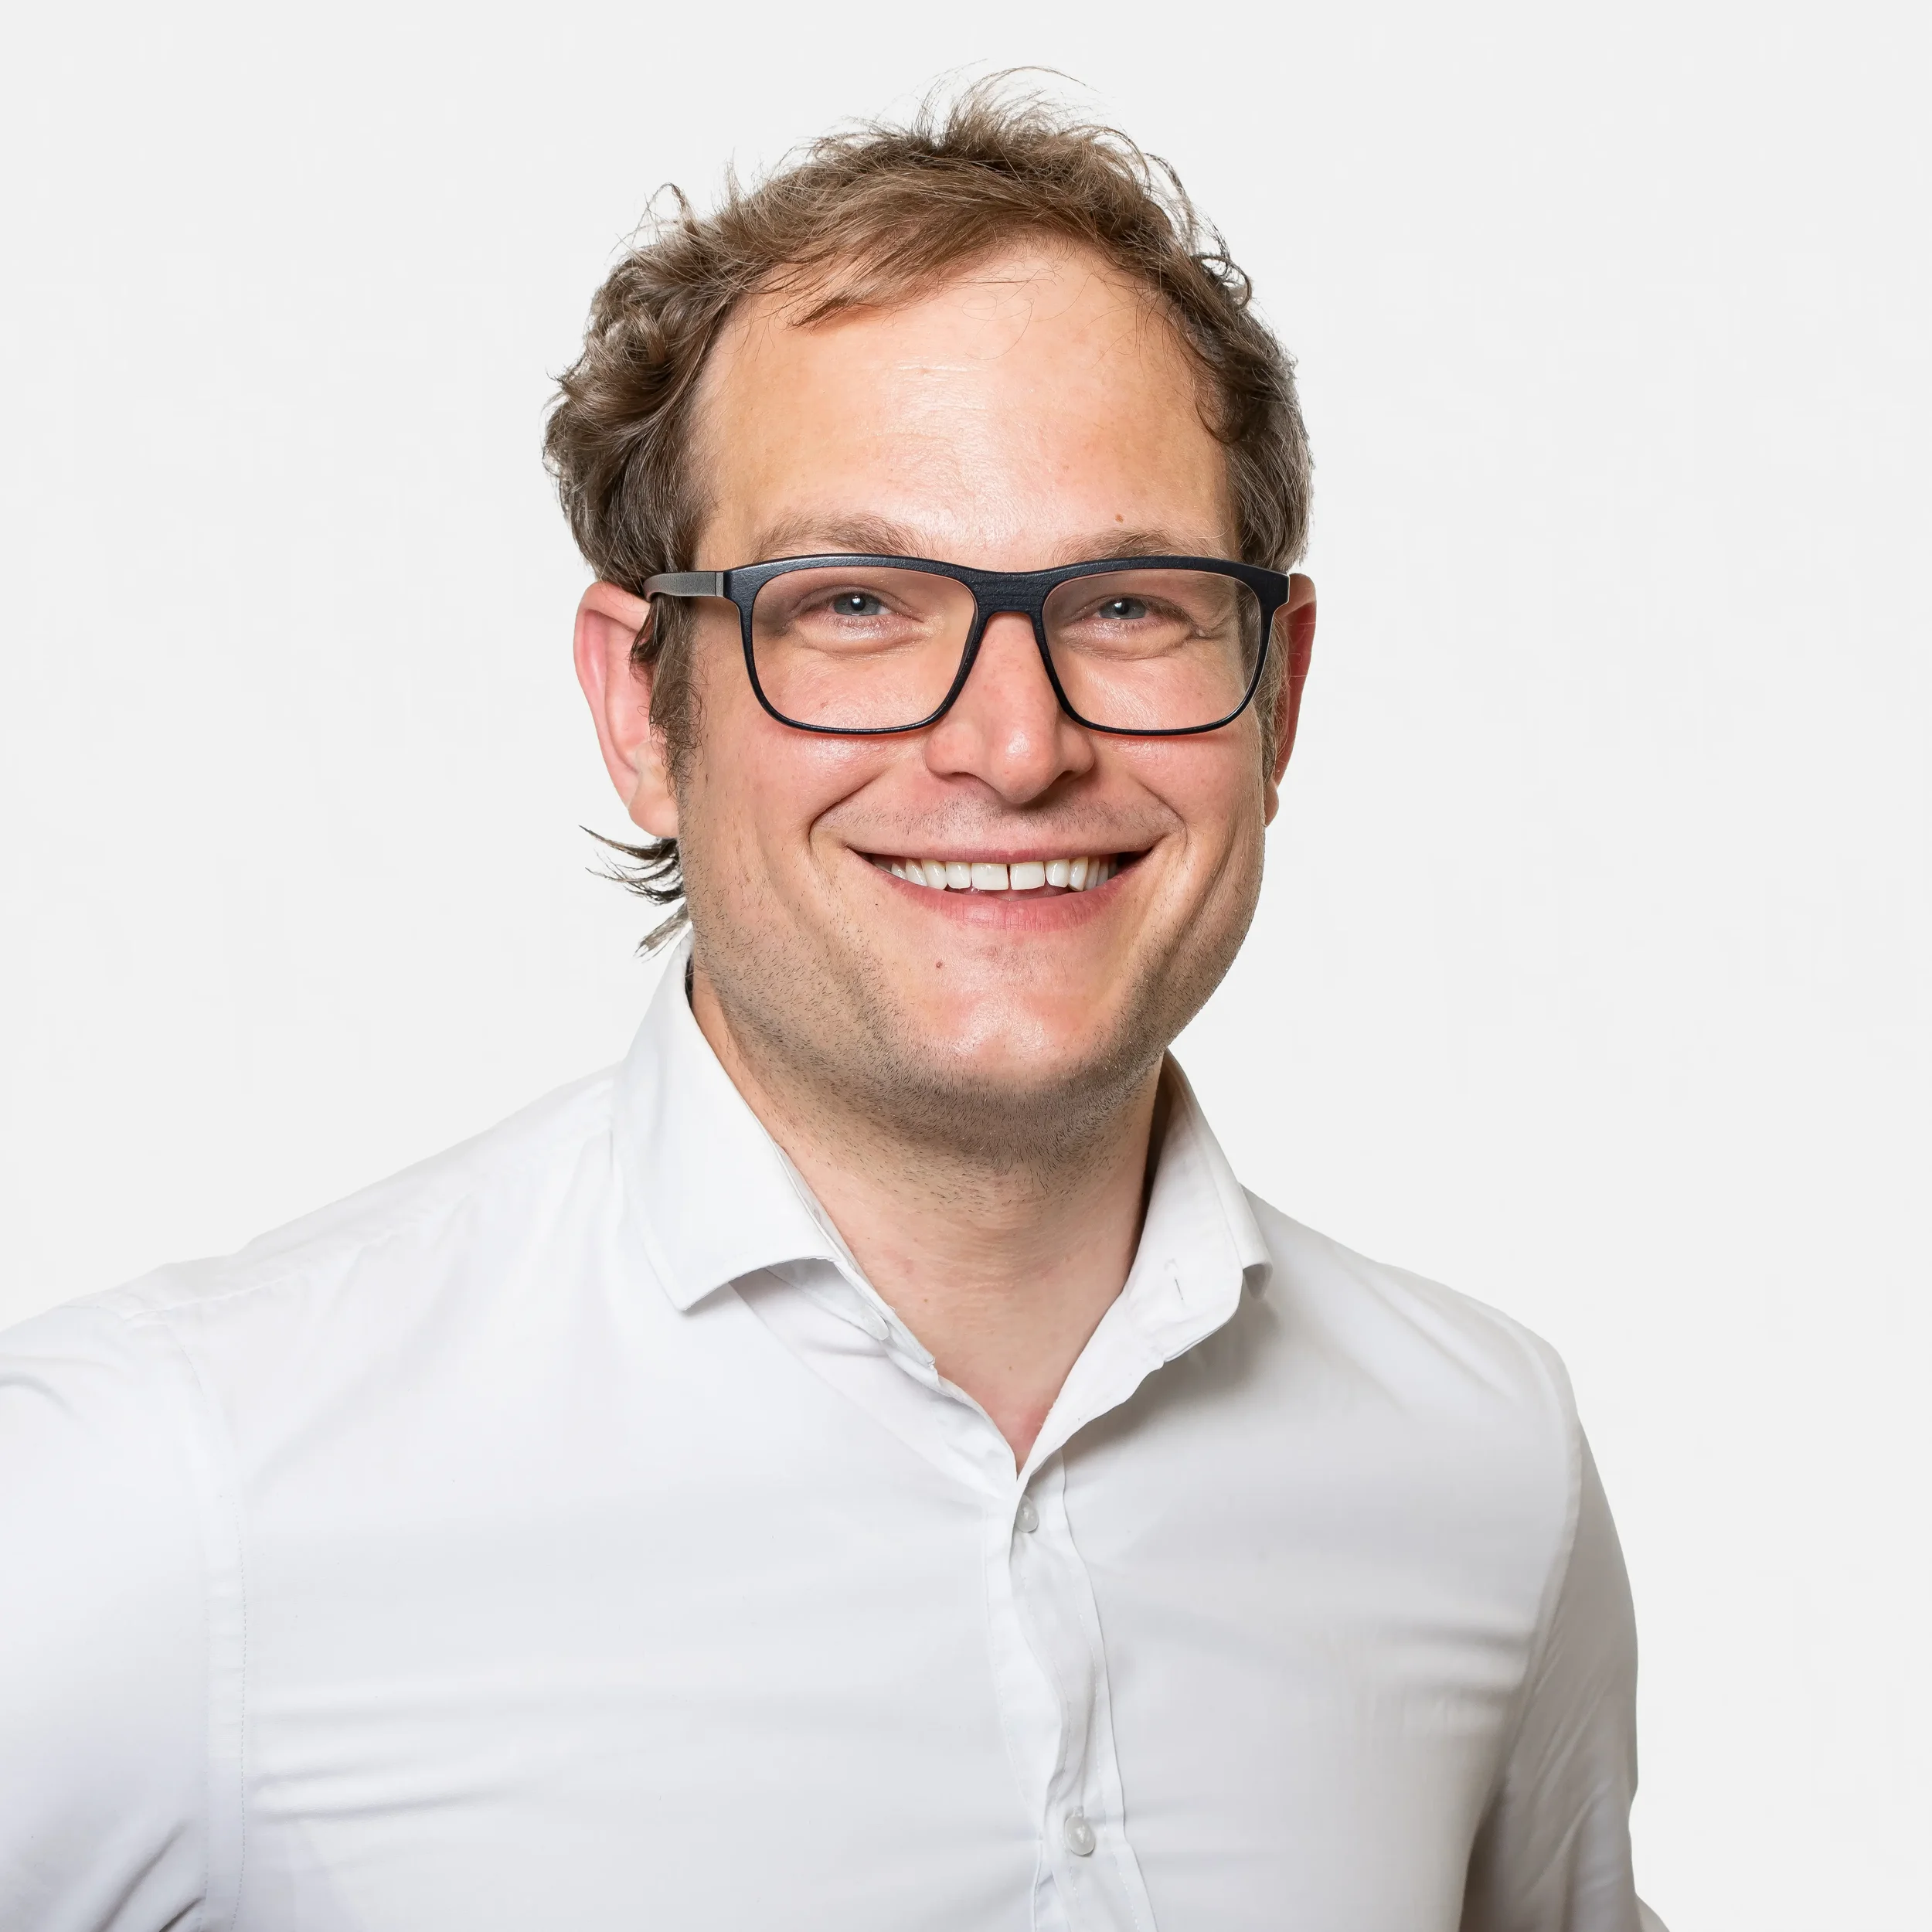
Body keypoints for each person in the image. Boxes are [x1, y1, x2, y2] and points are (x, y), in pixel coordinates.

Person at [0, 87, 1664, 1932]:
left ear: (1273, 695)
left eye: (1127, 603)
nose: (1014, 745)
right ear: (643, 709)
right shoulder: (172, 1488)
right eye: (856, 601)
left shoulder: (1480, 1468)